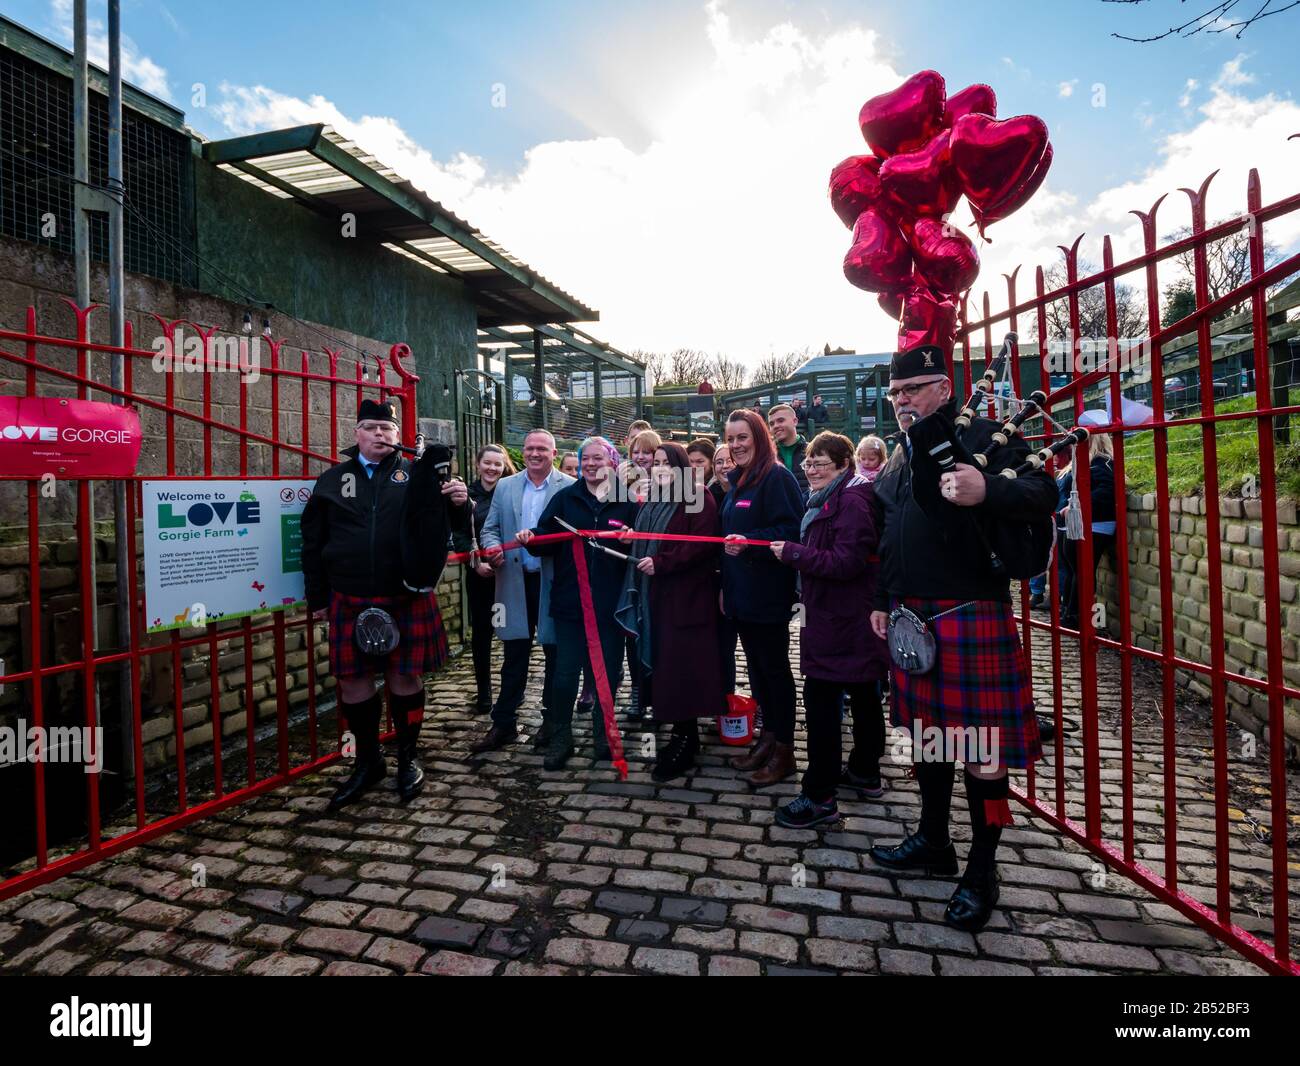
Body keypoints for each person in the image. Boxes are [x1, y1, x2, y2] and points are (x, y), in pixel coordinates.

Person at [866, 343, 1057, 933]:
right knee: (930, 741)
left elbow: (1044, 494)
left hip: (970, 612)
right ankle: (932, 839)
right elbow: (890, 535)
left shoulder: (989, 437)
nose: (901, 401)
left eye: (913, 390)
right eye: (895, 393)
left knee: (983, 755)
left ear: (943, 390)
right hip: (910, 616)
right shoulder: (900, 456)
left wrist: (988, 490)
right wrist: (882, 600)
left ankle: (983, 868)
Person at [301, 400, 469, 809]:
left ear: (397, 436)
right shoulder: (331, 480)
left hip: (405, 596)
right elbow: (312, 543)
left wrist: (461, 502)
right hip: (350, 596)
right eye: (371, 427)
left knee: (405, 678)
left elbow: (455, 530)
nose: (380, 434)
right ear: (356, 433)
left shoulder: (420, 476)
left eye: (386, 429)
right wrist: (319, 598)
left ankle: (408, 757)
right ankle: (368, 760)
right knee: (352, 682)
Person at [768, 431, 889, 827]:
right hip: (845, 618)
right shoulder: (838, 496)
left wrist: (794, 554)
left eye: (821, 462)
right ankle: (864, 772)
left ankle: (819, 796)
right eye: (808, 462)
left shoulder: (851, 501)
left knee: (822, 702)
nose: (811, 469)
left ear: (843, 465)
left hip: (841, 619)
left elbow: (846, 562)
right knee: (865, 691)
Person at [518, 437, 638, 769]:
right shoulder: (564, 498)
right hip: (570, 602)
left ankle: (604, 733)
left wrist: (631, 540)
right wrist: (530, 539)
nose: (590, 464)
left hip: (611, 604)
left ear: (612, 462)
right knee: (565, 674)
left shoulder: (627, 502)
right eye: (585, 458)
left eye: (598, 458)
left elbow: (639, 551)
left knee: (608, 672)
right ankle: (561, 736)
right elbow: (544, 538)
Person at [615, 443, 727, 780]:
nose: (660, 467)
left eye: (667, 462)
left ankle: (686, 738)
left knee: (684, 670)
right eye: (657, 462)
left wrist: (662, 562)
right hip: (658, 597)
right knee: (668, 668)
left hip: (687, 599)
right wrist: (632, 538)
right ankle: (679, 733)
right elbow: (651, 539)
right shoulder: (654, 499)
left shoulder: (697, 496)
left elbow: (700, 544)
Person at [469, 429, 574, 754]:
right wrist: (491, 548)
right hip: (514, 579)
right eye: (530, 448)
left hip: (552, 581)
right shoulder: (505, 486)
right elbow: (489, 529)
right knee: (514, 652)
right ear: (523, 452)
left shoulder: (569, 487)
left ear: (553, 453)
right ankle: (504, 724)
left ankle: (552, 720)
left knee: (554, 653)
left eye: (542, 448)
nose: (535, 453)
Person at [719, 409, 805, 785]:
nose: (736, 445)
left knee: (774, 671)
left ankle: (784, 750)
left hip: (768, 594)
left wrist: (751, 545)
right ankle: (767, 740)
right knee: (756, 671)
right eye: (731, 438)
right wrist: (726, 586)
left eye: (743, 438)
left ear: (758, 437)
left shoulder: (777, 478)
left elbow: (791, 529)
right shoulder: (740, 481)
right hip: (741, 593)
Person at [454, 443, 516, 715]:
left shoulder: (511, 492)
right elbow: (458, 533)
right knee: (482, 635)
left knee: (512, 635)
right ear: (478, 464)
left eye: (497, 464)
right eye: (487, 463)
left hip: (510, 575)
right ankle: (484, 692)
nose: (492, 468)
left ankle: (511, 691)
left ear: (504, 467)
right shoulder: (465, 495)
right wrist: (475, 561)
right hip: (479, 576)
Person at [620, 427, 661, 723]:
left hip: (657, 567)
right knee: (631, 631)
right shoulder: (621, 483)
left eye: (647, 452)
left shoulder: (671, 484)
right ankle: (637, 692)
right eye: (636, 451)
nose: (641, 457)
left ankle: (657, 694)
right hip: (629, 565)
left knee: (656, 632)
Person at [1058, 431, 1116, 629]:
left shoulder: (1101, 463)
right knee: (1078, 572)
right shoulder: (1091, 463)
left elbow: (1106, 491)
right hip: (1081, 525)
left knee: (1080, 572)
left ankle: (1072, 614)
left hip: (1091, 526)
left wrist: (1079, 505)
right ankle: (1070, 613)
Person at [767, 403, 809, 494]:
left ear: (795, 421)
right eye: (771, 424)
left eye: (780, 420)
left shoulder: (812, 451)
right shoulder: (766, 455)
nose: (776, 426)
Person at [685, 438, 719, 504]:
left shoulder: (718, 489)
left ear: (712, 462)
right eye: (690, 461)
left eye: (700, 461)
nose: (693, 466)